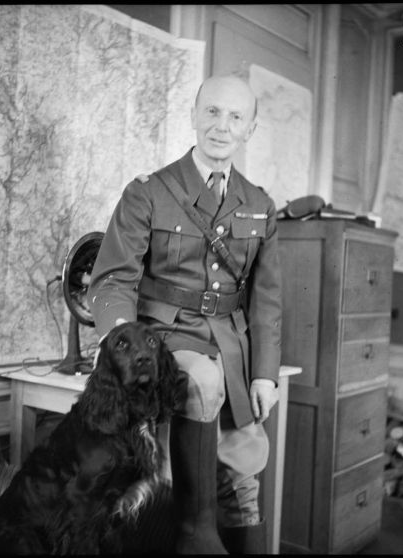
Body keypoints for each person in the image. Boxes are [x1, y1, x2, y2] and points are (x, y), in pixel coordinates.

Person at [88, 74, 282, 554]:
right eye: (212, 112)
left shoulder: (260, 205)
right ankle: (196, 538)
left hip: (233, 347)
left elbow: (267, 298)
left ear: (250, 128)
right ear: (195, 116)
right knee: (198, 386)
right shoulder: (149, 192)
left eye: (235, 116)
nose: (222, 126)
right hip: (167, 337)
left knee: (243, 464)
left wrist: (265, 374)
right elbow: (113, 281)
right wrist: (122, 348)